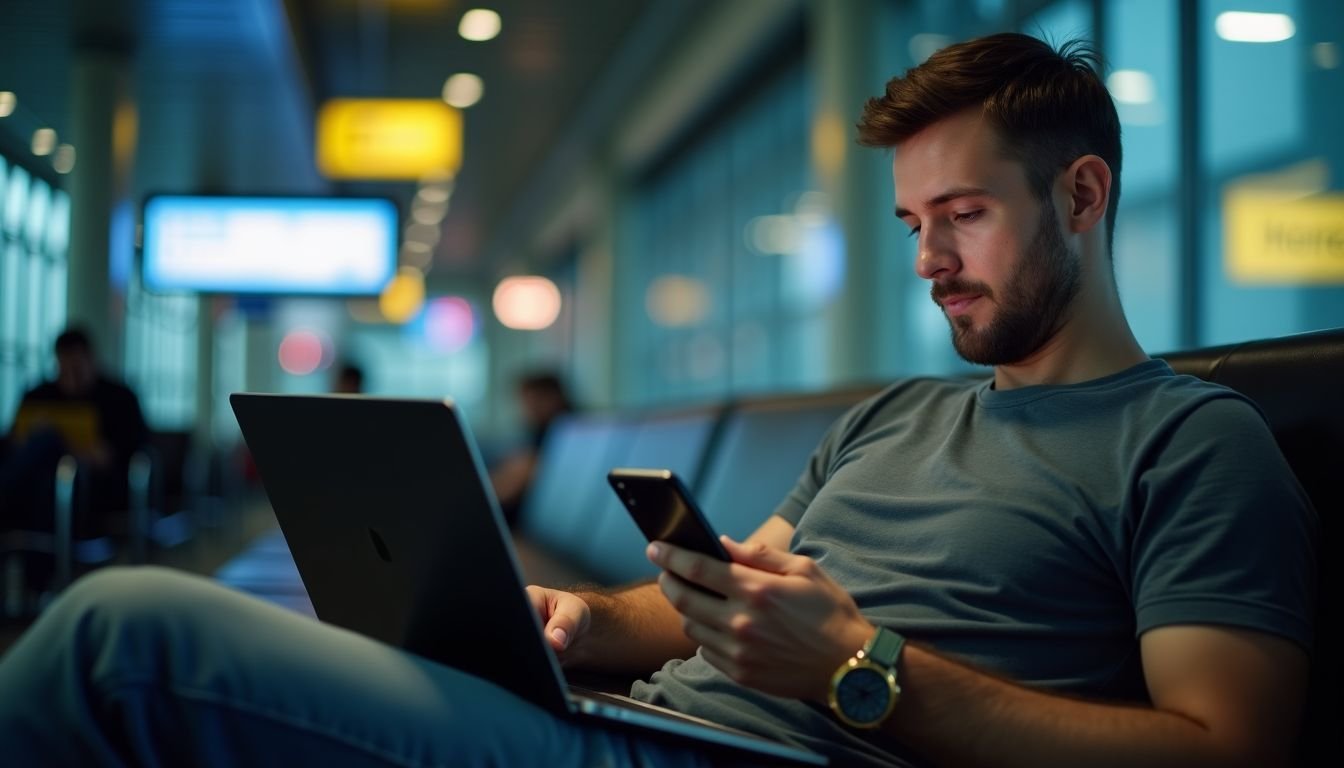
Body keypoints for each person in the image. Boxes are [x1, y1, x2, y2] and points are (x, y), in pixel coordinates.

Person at [0, 33, 1316, 767]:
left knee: (126, 636)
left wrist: (864, 674)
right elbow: (725, 611)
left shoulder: (1190, 444)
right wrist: (582, 622)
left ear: (1082, 196)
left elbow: (1227, 750)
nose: (927, 261)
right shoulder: (899, 416)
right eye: (914, 220)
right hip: (628, 721)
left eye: (963, 217)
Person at [0, 327, 148, 538]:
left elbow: (122, 455)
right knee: (45, 473)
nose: (70, 378)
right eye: (64, 369)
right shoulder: (39, 395)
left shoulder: (120, 399)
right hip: (39, 479)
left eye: (77, 369)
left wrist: (71, 445)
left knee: (51, 449)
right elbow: (13, 442)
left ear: (91, 361)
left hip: (95, 484)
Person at [490, 370, 574, 528]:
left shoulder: (565, 432)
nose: (527, 408)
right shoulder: (541, 431)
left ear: (553, 397)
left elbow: (524, 473)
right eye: (525, 401)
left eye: (533, 400)